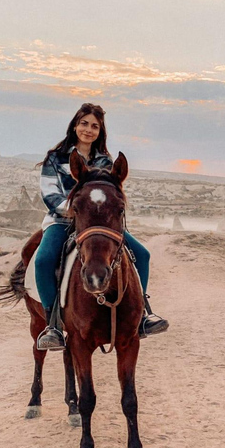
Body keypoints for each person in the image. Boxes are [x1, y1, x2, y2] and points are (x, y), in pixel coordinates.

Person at [36, 103, 169, 350]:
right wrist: (75, 210)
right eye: (84, 123)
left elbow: (109, 193)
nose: (88, 129)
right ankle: (52, 325)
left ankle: (143, 314)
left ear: (100, 131)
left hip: (98, 223)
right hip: (62, 220)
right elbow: (49, 193)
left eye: (94, 126)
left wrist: (97, 214)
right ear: (75, 125)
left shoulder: (104, 160)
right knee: (43, 260)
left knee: (142, 254)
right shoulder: (55, 159)